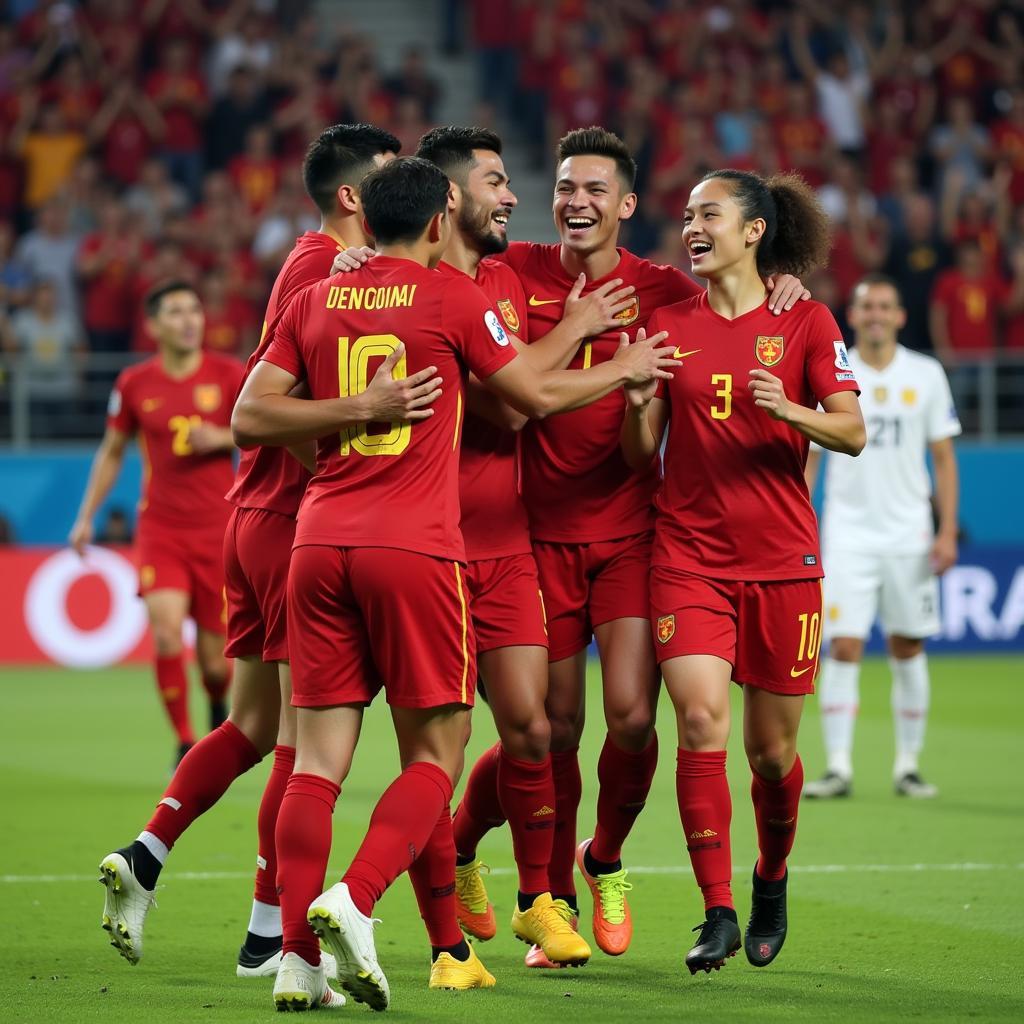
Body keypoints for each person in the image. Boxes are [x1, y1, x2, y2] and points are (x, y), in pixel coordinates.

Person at [231, 155, 676, 1011]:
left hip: (317, 544)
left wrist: (354, 411)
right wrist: (616, 364)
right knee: (438, 753)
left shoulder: (316, 296)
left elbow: (248, 416)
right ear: (441, 217)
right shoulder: (454, 297)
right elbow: (524, 397)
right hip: (416, 549)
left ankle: (293, 959)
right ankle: (355, 899)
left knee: (315, 765)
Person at [89, 124, 408, 981]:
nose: (404, 184)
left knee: (255, 724)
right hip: (293, 522)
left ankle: (148, 852)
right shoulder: (320, 270)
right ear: (353, 195)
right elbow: (277, 410)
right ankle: (268, 933)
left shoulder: (314, 263)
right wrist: (350, 474)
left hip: (251, 517)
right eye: (389, 174)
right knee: (305, 745)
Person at [488, 127, 809, 965]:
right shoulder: (512, 271)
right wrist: (353, 260)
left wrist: (780, 278)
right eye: (565, 188)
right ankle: (549, 899)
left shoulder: (666, 293)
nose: (577, 202)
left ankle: (606, 859)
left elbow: (736, 298)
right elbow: (436, 266)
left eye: (595, 190)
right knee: (553, 729)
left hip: (634, 534)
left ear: (626, 206)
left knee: (632, 719)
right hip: (532, 535)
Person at [620, 169, 865, 975]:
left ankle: (770, 876)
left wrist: (788, 410)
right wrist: (634, 400)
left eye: (709, 213)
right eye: (687, 215)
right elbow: (638, 453)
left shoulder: (805, 320)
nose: (692, 226)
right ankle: (717, 909)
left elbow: (853, 432)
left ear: (754, 230)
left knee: (769, 756)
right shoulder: (666, 323)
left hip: (783, 564)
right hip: (687, 558)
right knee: (698, 722)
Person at [413, 126, 636, 966]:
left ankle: (538, 900)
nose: (515, 197)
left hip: (508, 542)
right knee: (439, 746)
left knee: (535, 731)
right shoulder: (414, 288)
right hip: (429, 545)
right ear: (449, 198)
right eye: (497, 183)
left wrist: (778, 280)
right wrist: (585, 334)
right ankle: (413, 926)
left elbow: (636, 264)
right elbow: (509, 406)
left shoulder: (509, 276)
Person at [70, 280, 242, 763]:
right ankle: (186, 742)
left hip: (218, 530)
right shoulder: (133, 384)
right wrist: (86, 517)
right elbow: (111, 452)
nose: (189, 320)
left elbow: (266, 427)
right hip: (162, 528)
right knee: (166, 633)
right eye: (175, 312)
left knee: (214, 663)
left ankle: (213, 700)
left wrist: (225, 436)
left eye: (194, 310)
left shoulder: (230, 375)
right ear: (153, 326)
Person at [803, 275, 961, 800]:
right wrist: (801, 522)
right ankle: (840, 767)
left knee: (907, 643)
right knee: (843, 645)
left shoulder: (926, 373)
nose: (875, 314)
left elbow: (943, 458)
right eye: (866, 305)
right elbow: (811, 460)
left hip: (909, 534)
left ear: (899, 316)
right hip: (848, 535)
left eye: (884, 306)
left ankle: (907, 766)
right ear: (853, 312)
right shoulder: (833, 367)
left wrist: (944, 531)